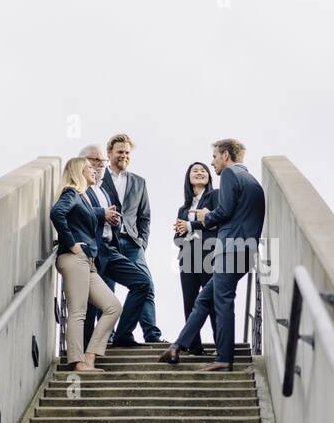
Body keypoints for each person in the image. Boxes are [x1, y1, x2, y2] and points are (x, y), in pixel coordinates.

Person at [160, 139, 264, 371]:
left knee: (222, 302)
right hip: (245, 249)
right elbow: (236, 213)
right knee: (204, 299)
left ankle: (224, 359)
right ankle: (177, 346)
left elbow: (224, 212)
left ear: (225, 155)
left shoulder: (229, 175)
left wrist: (202, 217)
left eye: (215, 157)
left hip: (231, 248)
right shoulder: (251, 180)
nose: (212, 162)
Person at [80, 135, 162, 348]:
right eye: (120, 152)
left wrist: (142, 241)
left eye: (127, 152)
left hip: (133, 243)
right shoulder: (97, 178)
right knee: (106, 290)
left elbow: (145, 216)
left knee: (145, 284)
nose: (124, 155)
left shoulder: (139, 181)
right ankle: (108, 336)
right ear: (109, 154)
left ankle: (151, 334)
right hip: (107, 243)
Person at [49, 156, 120, 372]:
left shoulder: (84, 197)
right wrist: (71, 244)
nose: (94, 171)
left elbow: (86, 217)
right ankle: (77, 361)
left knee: (113, 307)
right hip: (74, 258)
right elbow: (56, 213)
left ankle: (90, 356)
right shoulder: (71, 191)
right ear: (79, 171)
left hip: (87, 261)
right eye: (89, 167)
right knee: (78, 312)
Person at [173, 161, 218, 355]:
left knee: (213, 302)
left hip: (209, 255)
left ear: (209, 177)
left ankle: (220, 345)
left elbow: (216, 222)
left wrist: (190, 227)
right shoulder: (183, 209)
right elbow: (177, 236)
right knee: (189, 302)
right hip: (188, 257)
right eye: (195, 171)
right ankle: (194, 345)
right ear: (188, 179)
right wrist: (182, 232)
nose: (199, 173)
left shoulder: (215, 197)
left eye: (203, 170)